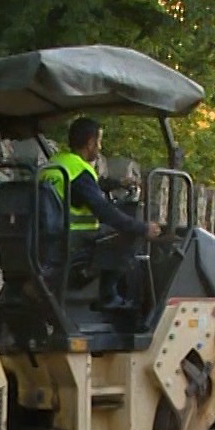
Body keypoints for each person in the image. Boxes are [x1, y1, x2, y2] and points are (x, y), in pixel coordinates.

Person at [40, 117, 160, 309]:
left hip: (50, 237)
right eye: (99, 141)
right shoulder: (80, 171)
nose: (100, 147)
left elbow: (84, 189)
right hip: (76, 241)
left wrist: (118, 183)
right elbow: (105, 212)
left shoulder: (57, 164)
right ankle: (108, 295)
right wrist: (142, 227)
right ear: (90, 142)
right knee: (128, 233)